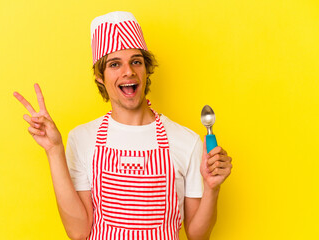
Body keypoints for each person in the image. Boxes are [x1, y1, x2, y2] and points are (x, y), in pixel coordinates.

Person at [14, 11, 232, 240]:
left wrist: (212, 188)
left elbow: (198, 236)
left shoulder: (186, 141)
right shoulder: (82, 138)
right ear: (100, 77)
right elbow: (78, 232)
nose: (128, 71)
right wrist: (54, 150)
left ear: (146, 70)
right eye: (115, 64)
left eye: (136, 61)